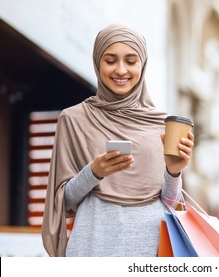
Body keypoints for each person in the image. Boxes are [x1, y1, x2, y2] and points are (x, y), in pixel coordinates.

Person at [41, 24, 194, 257]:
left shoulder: (162, 124)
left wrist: (174, 173)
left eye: (131, 61)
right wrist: (93, 172)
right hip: (91, 251)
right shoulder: (73, 119)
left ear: (142, 65)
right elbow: (62, 202)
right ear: (97, 62)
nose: (121, 70)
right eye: (110, 60)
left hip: (148, 254)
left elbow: (170, 204)